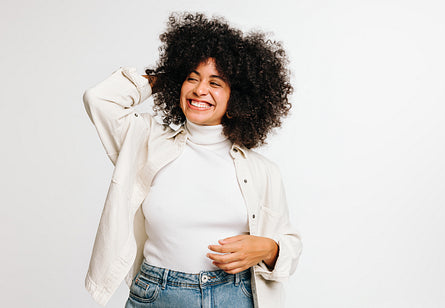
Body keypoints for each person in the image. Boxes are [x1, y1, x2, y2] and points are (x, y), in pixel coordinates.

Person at [83, 13, 302, 308]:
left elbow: (290, 245)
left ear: (236, 97)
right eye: (192, 78)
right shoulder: (145, 141)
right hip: (157, 294)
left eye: (215, 83)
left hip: (235, 296)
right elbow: (100, 99)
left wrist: (267, 248)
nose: (200, 90)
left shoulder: (263, 171)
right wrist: (168, 76)